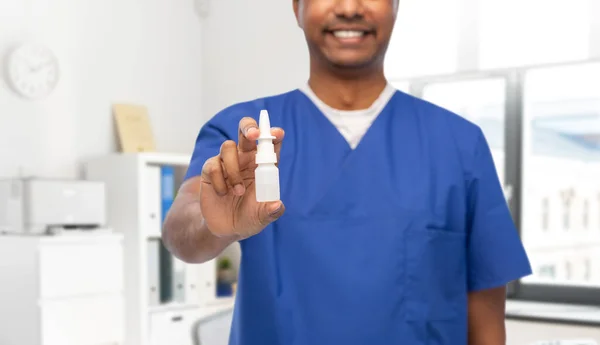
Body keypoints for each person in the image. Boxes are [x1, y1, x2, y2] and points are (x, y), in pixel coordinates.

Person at [162, 0, 532, 344]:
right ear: (297, 7)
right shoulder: (244, 135)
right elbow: (182, 233)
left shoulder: (460, 144)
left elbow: (485, 318)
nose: (350, 8)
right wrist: (215, 225)